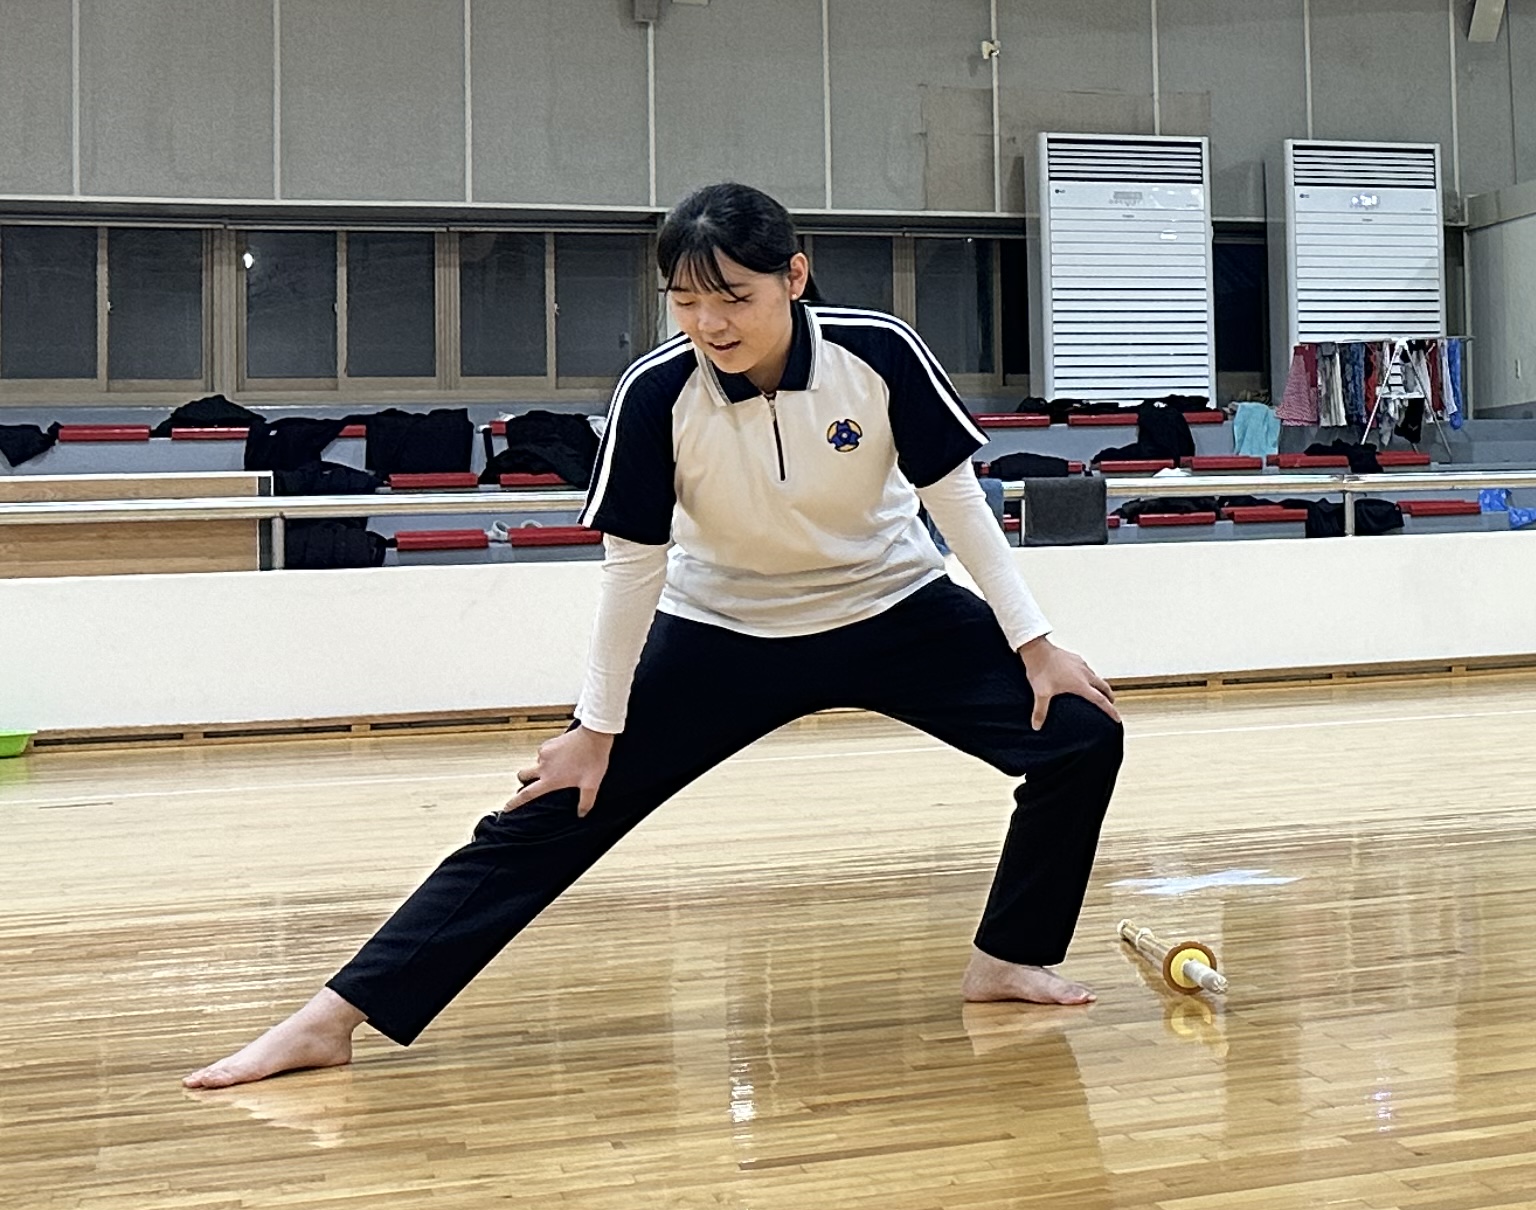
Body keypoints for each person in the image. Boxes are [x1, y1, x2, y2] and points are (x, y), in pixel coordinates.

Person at [189, 183, 1127, 1087]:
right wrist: (595, 728)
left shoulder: (877, 352)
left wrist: (1035, 644)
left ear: (795, 278)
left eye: (734, 297)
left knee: (1081, 735)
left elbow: (955, 502)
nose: (710, 323)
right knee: (562, 800)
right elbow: (632, 570)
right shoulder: (656, 393)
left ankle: (1009, 957)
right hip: (723, 629)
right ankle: (332, 1018)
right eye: (686, 300)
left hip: (894, 608)